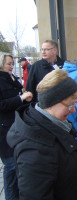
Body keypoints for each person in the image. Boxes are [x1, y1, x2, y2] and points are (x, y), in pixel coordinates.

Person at [7, 69, 77, 200]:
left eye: (75, 104)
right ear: (52, 103)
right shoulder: (35, 149)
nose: (73, 110)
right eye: (70, 105)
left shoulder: (54, 125)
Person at [0, 53, 33, 200]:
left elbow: (17, 100)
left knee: (16, 165)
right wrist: (21, 97)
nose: (12, 66)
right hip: (3, 129)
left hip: (14, 125)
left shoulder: (11, 79)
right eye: (9, 64)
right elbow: (3, 105)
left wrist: (25, 98)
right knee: (11, 166)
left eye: (12, 63)